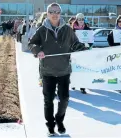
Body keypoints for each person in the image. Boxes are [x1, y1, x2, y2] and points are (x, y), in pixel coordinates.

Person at [28, 3, 89, 136]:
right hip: (47, 71)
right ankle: (50, 125)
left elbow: (75, 44)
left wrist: (85, 49)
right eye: (51, 11)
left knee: (65, 99)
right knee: (48, 100)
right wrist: (37, 50)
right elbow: (31, 43)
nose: (54, 14)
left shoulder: (67, 29)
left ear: (60, 13)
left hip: (64, 71)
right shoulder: (42, 30)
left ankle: (59, 120)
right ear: (48, 13)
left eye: (57, 11)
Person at [71, 13, 93, 94]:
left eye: (82, 19)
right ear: (76, 20)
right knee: (74, 69)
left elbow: (91, 41)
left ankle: (82, 86)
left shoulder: (88, 29)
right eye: (79, 19)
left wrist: (89, 45)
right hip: (74, 52)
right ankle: (73, 83)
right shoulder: (72, 29)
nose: (81, 21)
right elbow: (69, 40)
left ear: (84, 20)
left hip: (84, 52)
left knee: (82, 69)